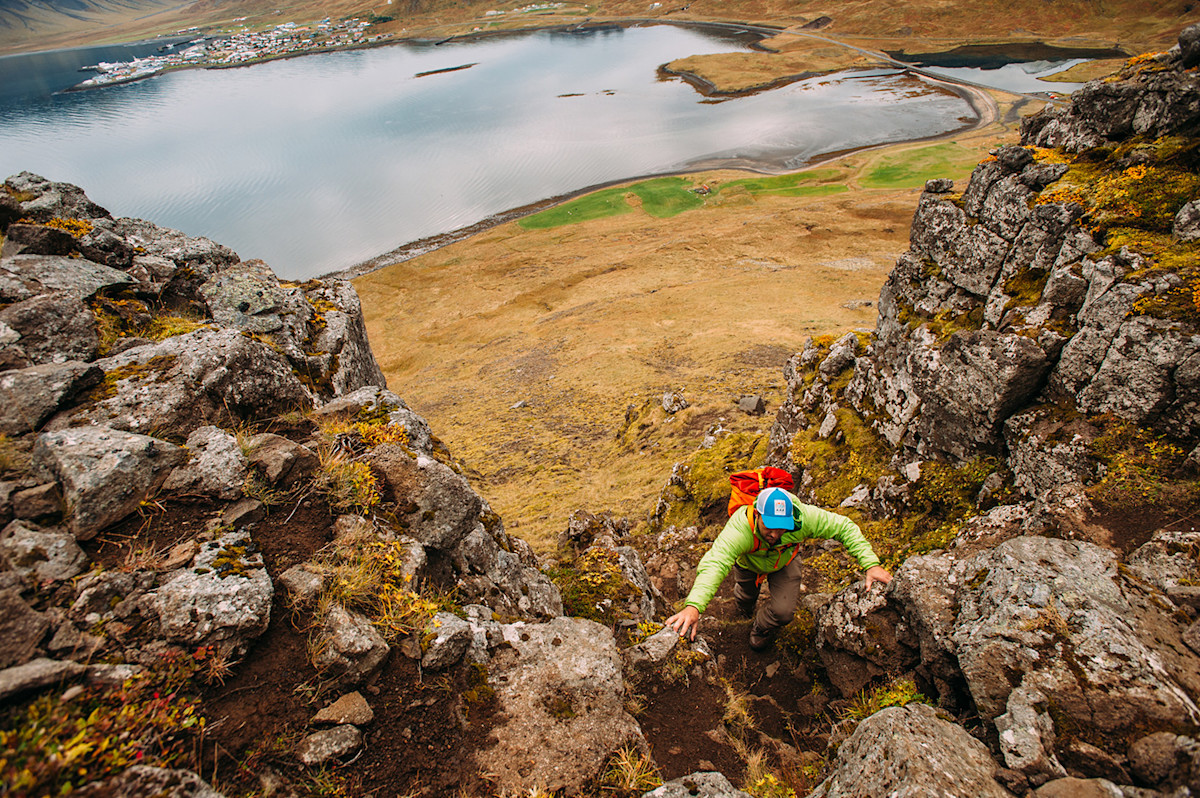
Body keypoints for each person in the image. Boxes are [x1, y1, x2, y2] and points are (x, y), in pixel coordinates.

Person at [665, 486, 892, 651]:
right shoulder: (740, 529)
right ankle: (744, 609)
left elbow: (844, 526)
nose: (775, 534)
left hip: (785, 561)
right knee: (745, 596)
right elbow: (716, 562)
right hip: (749, 564)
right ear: (757, 514)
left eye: (782, 527)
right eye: (769, 526)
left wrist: (871, 564)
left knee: (783, 613)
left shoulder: (803, 518)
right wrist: (694, 606)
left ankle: (760, 626)